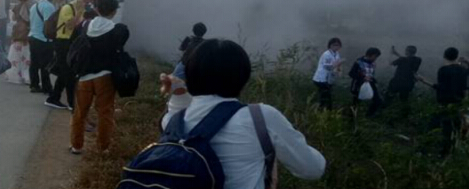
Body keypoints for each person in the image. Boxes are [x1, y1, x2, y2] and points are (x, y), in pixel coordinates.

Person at [162, 39, 326, 189]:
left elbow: (177, 109)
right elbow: (313, 169)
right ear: (242, 77)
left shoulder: (172, 122)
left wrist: (179, 93)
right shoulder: (260, 117)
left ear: (191, 74)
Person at [70, 0, 130, 154]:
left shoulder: (86, 25)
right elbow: (119, 46)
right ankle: (103, 148)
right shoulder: (119, 30)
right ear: (115, 11)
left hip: (84, 76)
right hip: (106, 76)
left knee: (80, 112)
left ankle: (77, 146)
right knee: (105, 112)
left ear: (96, 9)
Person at [46, 0, 93, 110]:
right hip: (63, 42)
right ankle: (72, 104)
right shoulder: (68, 8)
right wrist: (79, 12)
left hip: (73, 43)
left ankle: (53, 98)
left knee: (65, 72)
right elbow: (70, 25)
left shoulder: (86, 10)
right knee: (69, 73)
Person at [418, 47, 468, 155]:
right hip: (458, 104)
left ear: (444, 55)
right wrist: (465, 104)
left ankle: (423, 150)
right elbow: (464, 89)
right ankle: (447, 152)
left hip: (444, 103)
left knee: (433, 126)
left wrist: (424, 81)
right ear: (457, 56)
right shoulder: (463, 70)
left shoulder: (443, 70)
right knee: (451, 129)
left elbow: (441, 87)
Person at [5, 0, 36, 85]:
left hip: (17, 32)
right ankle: (26, 76)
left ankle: (14, 76)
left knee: (15, 55)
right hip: (28, 32)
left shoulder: (17, 6)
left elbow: (14, 18)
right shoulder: (33, 4)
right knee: (26, 55)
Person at [28, 0, 56, 94]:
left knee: (34, 63)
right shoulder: (49, 6)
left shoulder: (34, 6)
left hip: (33, 36)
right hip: (43, 39)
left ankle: (34, 85)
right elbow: (47, 24)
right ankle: (46, 87)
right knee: (46, 64)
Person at [384, 45, 422, 113]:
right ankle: (405, 114)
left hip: (397, 81)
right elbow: (407, 60)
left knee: (389, 96)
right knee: (404, 99)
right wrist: (396, 53)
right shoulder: (418, 60)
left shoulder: (402, 59)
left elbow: (391, 63)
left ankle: (384, 110)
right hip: (409, 83)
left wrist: (392, 54)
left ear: (407, 52)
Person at [349, 47, 382, 117]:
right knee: (356, 102)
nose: (375, 58)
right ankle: (351, 117)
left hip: (370, 83)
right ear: (369, 54)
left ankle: (369, 115)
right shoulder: (359, 62)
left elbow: (371, 74)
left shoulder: (373, 64)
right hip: (359, 85)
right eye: (375, 56)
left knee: (377, 100)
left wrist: (373, 80)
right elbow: (351, 73)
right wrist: (363, 77)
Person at [312, 37, 343, 110]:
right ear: (330, 46)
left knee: (327, 95)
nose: (336, 47)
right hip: (321, 79)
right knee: (325, 96)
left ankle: (325, 110)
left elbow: (338, 64)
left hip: (329, 78)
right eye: (334, 45)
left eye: (337, 45)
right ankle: (324, 110)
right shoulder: (326, 54)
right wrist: (336, 64)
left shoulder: (337, 54)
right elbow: (327, 66)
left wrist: (339, 69)